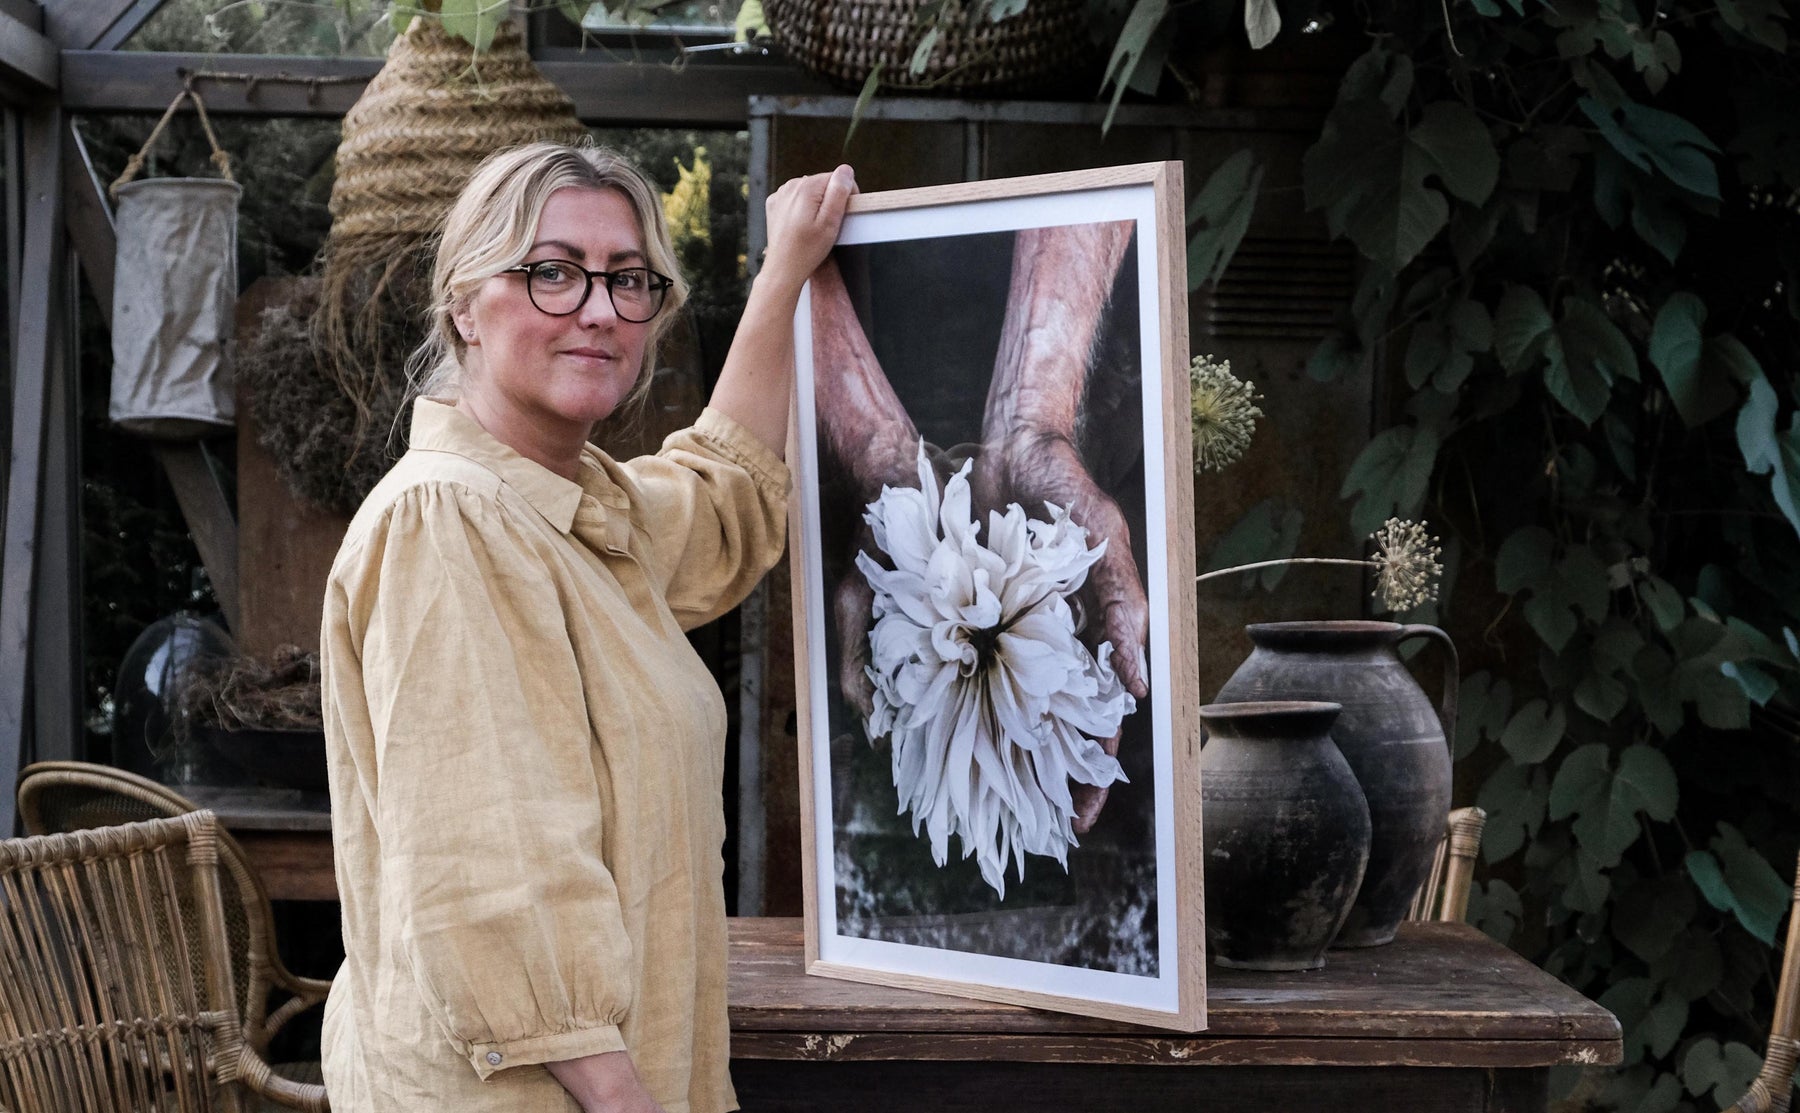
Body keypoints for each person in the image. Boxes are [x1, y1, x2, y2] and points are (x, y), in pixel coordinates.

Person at [318, 142, 854, 1113]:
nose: (600, 310)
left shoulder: (585, 514)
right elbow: (490, 870)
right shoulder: (448, 522)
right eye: (553, 273)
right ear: (463, 308)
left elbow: (722, 493)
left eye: (628, 280)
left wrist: (786, 272)